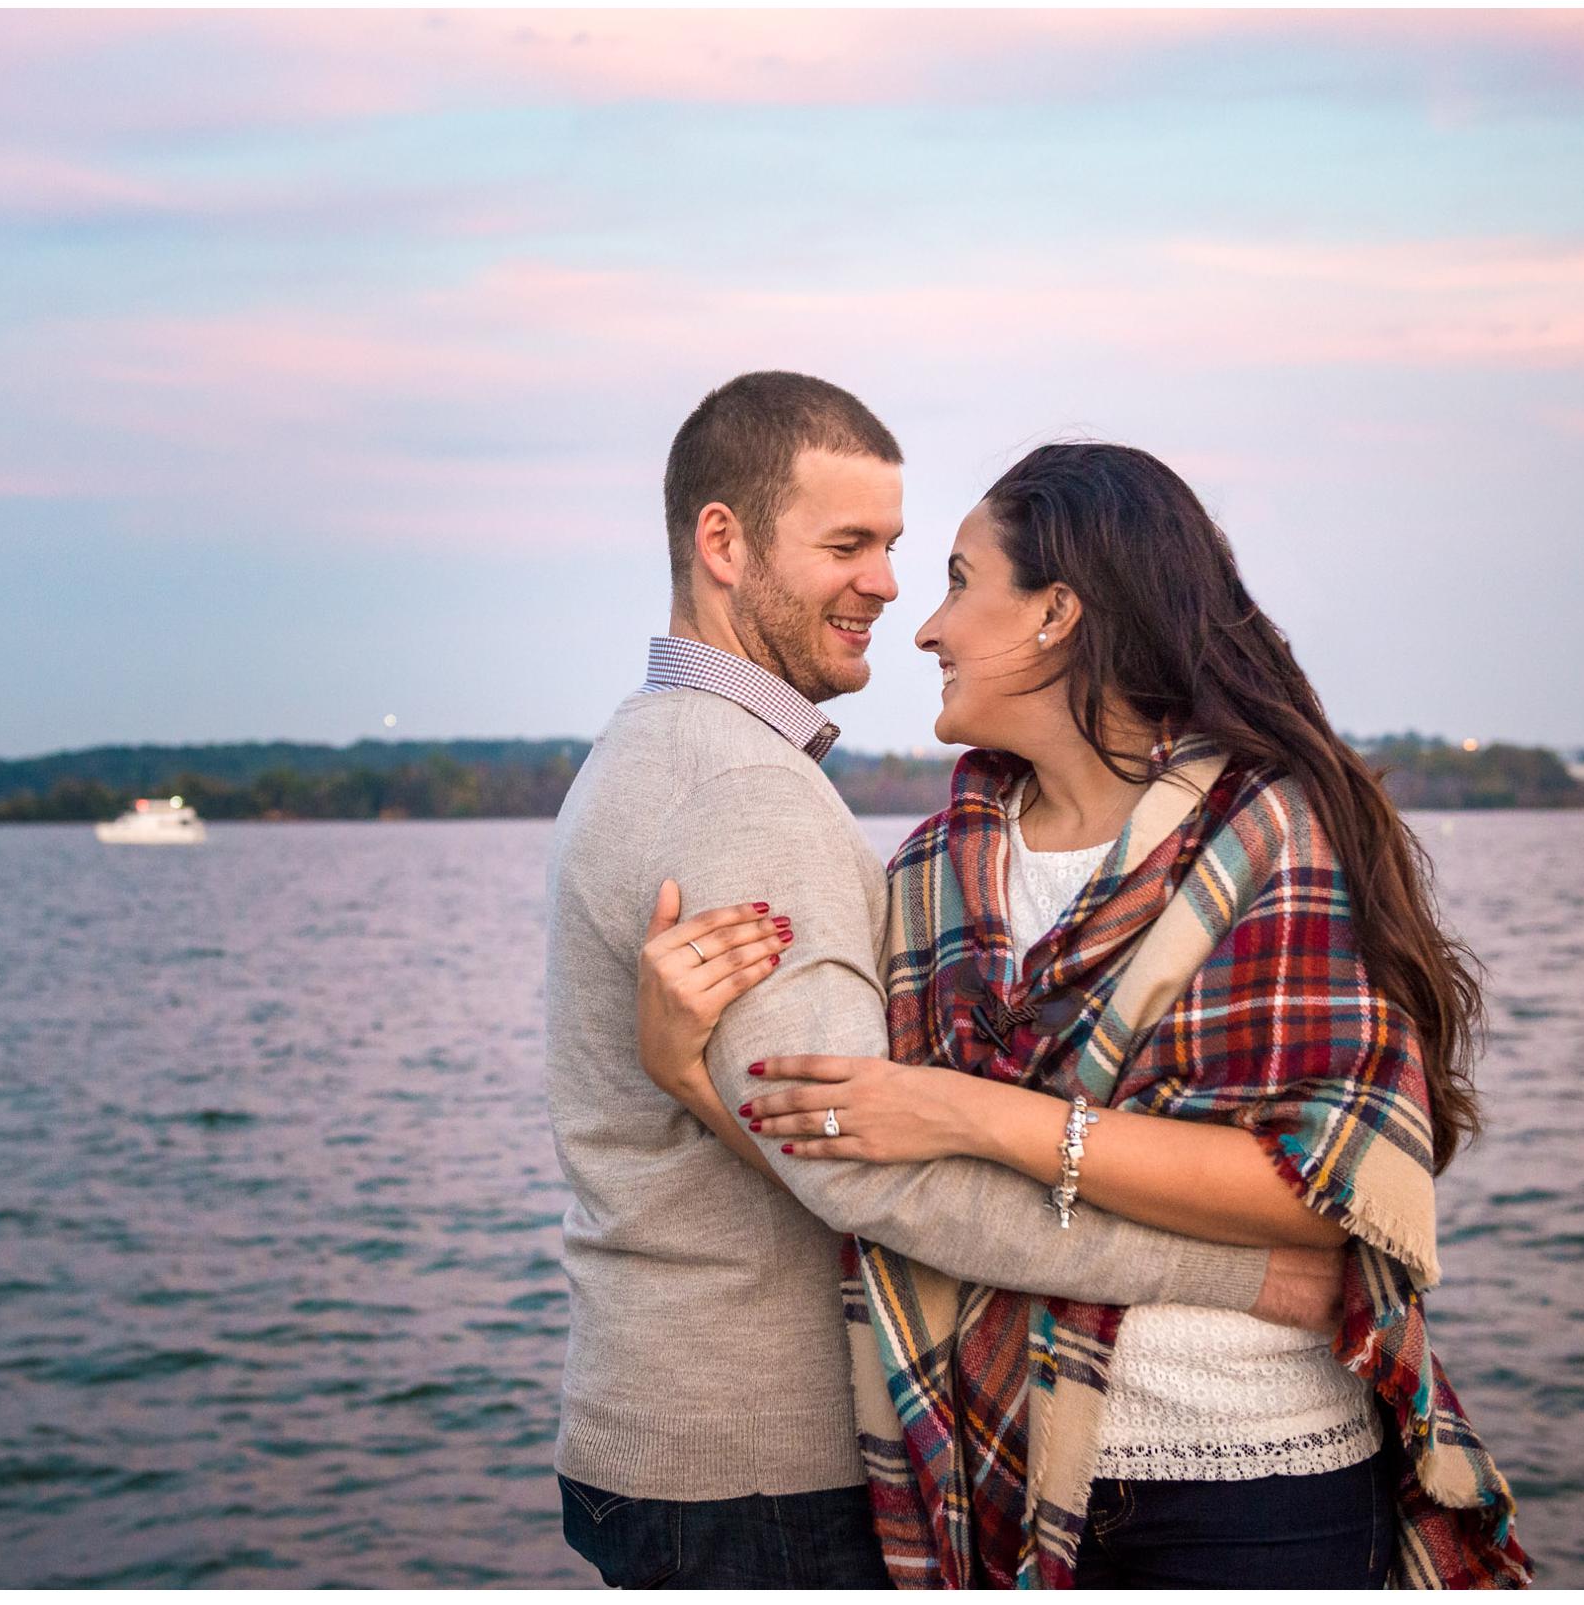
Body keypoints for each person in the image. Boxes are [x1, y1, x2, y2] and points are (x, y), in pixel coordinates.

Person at [635, 440, 1532, 1588]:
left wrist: (978, 1115)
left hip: (1257, 1483)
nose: (924, 627)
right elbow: (866, 1162)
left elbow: (1325, 1192)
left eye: (960, 581)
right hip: (996, 1479)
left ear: (1057, 612)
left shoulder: (1269, 835)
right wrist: (688, 1073)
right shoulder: (929, 873)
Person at [543, 377, 1347, 1590]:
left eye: (903, 552)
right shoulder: (742, 791)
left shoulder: (662, 748)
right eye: (847, 545)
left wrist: (687, 1080)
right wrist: (1237, 1272)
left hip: (689, 1445)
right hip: (754, 1463)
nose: (888, 589)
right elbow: (861, 1156)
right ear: (723, 542)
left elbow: (838, 1134)